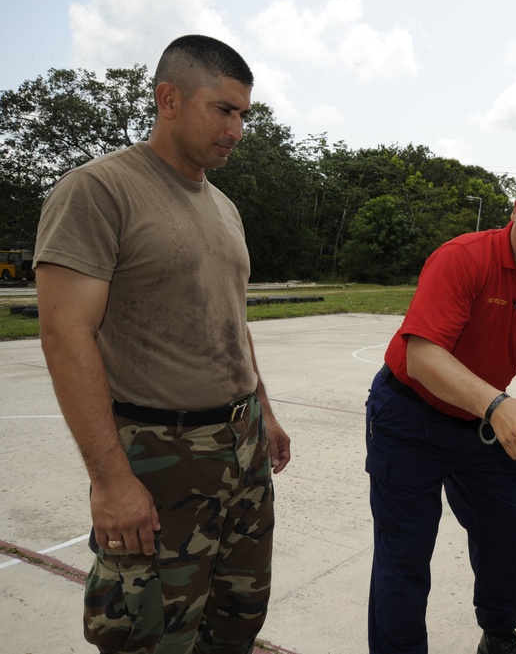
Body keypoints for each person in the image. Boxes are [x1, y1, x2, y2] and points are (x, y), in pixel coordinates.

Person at [33, 34, 291, 653]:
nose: (236, 128)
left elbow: (231, 319)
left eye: (244, 115)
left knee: (237, 616)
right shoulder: (100, 191)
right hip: (157, 455)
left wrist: (265, 411)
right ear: (168, 99)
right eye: (222, 110)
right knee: (150, 632)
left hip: (241, 445)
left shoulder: (224, 207)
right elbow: (64, 334)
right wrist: (110, 480)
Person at [365, 163, 516, 654]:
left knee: (504, 537)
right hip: (410, 414)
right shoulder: (463, 258)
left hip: (479, 423)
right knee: (404, 553)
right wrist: (496, 405)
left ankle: (499, 637)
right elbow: (423, 356)